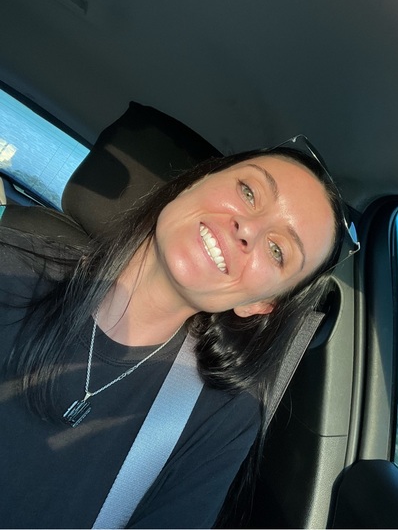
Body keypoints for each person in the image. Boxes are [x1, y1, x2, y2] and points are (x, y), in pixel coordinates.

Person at [0, 141, 357, 528]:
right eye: (249, 191)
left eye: (277, 250)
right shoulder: (9, 263)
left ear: (260, 304)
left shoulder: (222, 417)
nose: (249, 229)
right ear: (196, 181)